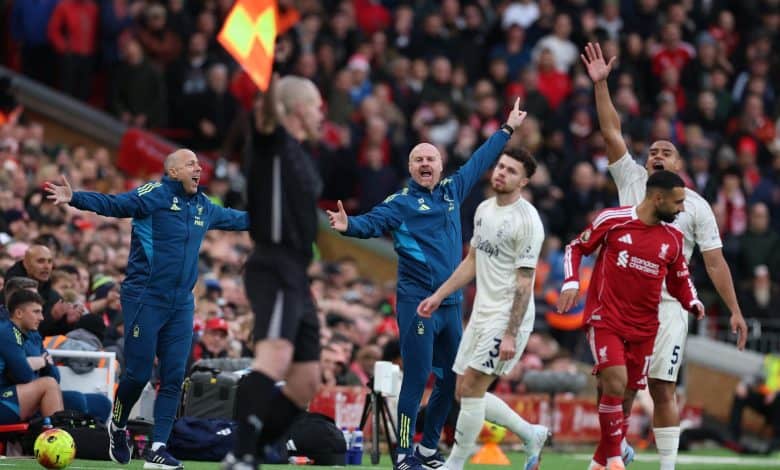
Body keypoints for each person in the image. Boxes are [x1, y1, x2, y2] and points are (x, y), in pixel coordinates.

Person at [328, 99, 528, 470]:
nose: (425, 164)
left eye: (430, 159)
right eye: (418, 160)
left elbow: (480, 161)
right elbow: (371, 222)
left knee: (452, 382)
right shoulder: (400, 203)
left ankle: (427, 450)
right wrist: (349, 226)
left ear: (439, 165)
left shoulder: (453, 190)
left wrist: (507, 128)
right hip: (417, 302)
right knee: (417, 377)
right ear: (410, 167)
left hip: (451, 306)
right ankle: (403, 454)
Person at [581, 41, 748, 469]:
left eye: (665, 151)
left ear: (680, 163)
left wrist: (734, 309)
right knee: (612, 385)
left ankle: (664, 465)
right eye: (652, 150)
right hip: (621, 303)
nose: (655, 155)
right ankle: (611, 454)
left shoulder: (696, 205)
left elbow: (713, 261)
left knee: (661, 386)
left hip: (668, 308)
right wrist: (601, 86)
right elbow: (611, 132)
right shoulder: (633, 180)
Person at [44, 148, 249, 470]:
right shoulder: (153, 195)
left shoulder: (203, 206)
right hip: (144, 297)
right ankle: (118, 424)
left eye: (199, 164)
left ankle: (157, 448)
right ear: (173, 172)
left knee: (173, 376)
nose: (198, 168)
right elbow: (115, 204)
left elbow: (240, 220)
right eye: (191, 163)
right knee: (138, 374)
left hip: (181, 303)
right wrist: (75, 197)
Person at [557, 170, 705, 470]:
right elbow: (575, 247)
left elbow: (681, 279)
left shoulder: (674, 239)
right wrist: (571, 282)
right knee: (615, 383)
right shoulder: (613, 219)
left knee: (625, 395)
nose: (681, 209)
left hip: (645, 327)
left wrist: (693, 301)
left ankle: (600, 461)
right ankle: (614, 459)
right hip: (606, 318)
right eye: (677, 202)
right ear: (657, 198)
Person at [417, 147, 550, 470]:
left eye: (511, 171)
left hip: (508, 317)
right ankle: (530, 433)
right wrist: (439, 295)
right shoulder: (483, 209)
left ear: (524, 182)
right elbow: (472, 261)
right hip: (481, 314)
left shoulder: (528, 221)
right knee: (463, 392)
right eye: (500, 166)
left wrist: (510, 333)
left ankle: (455, 463)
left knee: (474, 386)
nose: (502, 173)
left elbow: (524, 283)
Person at [222, 75, 325, 470]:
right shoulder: (273, 143)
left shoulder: (300, 153)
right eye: (316, 105)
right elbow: (264, 118)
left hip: (298, 274)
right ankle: (244, 453)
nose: (321, 114)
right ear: (298, 109)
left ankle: (248, 450)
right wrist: (267, 83)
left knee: (306, 382)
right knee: (275, 355)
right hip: (274, 263)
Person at [0, 289, 64, 424]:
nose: (41, 317)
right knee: (48, 385)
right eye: (36, 312)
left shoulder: (25, 334)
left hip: (7, 395)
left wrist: (39, 363)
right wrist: (42, 361)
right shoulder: (6, 332)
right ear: (18, 313)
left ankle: (53, 439)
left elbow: (56, 376)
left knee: (52, 385)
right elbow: (24, 375)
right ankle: (56, 441)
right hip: (3, 398)